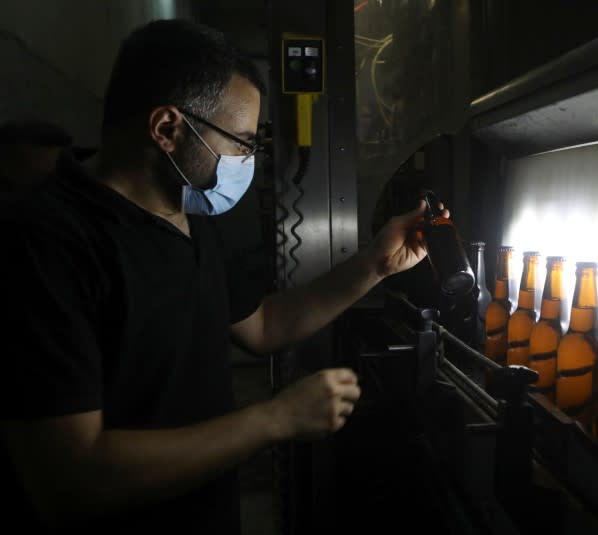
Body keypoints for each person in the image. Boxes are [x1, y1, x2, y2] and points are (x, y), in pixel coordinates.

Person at [0, 19, 448, 534]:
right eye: (242, 142)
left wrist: (375, 264)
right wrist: (273, 419)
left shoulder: (189, 213)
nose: (248, 160)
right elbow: (70, 478)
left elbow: (262, 325)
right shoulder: (44, 244)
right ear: (167, 128)